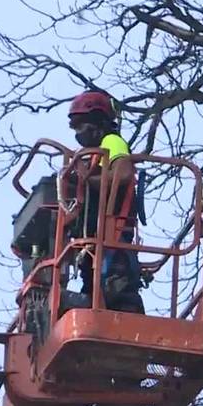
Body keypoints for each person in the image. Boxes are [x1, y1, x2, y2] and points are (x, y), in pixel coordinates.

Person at [67, 91, 144, 314]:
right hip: (95, 245)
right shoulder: (89, 155)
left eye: (82, 125)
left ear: (98, 123)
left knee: (119, 296)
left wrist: (87, 179)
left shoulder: (112, 141)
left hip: (113, 238)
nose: (78, 133)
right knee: (94, 296)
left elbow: (124, 174)